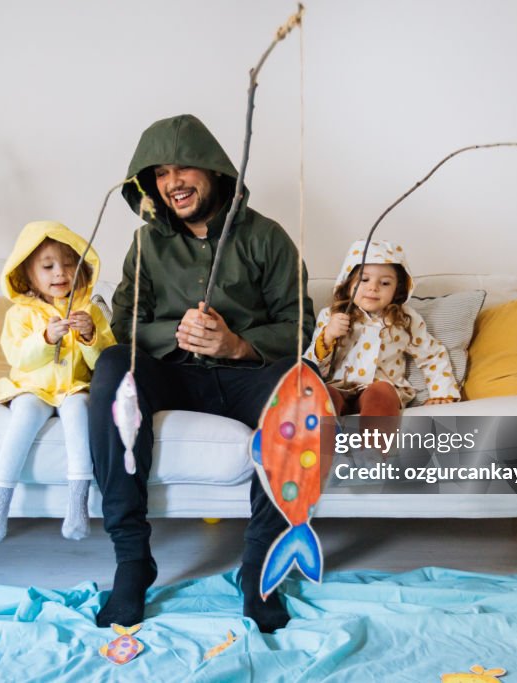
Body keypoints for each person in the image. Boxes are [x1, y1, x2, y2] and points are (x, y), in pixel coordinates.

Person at [89, 114, 314, 633]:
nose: (174, 182)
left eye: (184, 167)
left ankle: (259, 564)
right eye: (162, 173)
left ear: (214, 170)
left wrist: (237, 344)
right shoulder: (145, 245)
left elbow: (299, 327)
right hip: (172, 376)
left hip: (243, 377)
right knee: (111, 365)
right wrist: (177, 334)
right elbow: (124, 325)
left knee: (303, 388)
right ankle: (131, 563)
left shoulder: (268, 237)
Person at [0, 221, 116, 543]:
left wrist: (88, 335)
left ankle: (77, 506)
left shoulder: (89, 310)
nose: (60, 273)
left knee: (80, 414)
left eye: (69, 265)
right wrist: (44, 338)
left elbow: (104, 363)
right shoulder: (20, 314)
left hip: (74, 389)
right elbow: (18, 358)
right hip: (33, 388)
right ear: (28, 275)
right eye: (48, 266)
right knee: (23, 417)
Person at [304, 239, 459, 415]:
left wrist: (442, 393)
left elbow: (432, 355)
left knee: (381, 392)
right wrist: (328, 336)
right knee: (321, 394)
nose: (373, 288)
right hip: (339, 387)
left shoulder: (405, 319)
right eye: (364, 279)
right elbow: (311, 367)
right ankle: (317, 441)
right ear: (348, 283)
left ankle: (375, 442)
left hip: (380, 390)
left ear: (398, 289)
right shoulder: (331, 316)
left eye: (385, 283)